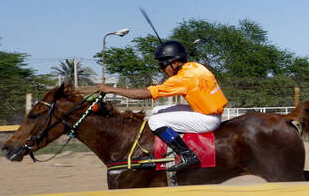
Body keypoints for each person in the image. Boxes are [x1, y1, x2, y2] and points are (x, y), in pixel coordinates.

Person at [97, 40, 228, 172]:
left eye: (163, 65)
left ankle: (187, 155)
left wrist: (111, 89)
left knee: (155, 121)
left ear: (175, 63)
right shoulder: (196, 67)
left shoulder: (182, 79)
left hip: (207, 120)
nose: (162, 69)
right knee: (157, 110)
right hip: (206, 112)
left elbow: (147, 94)